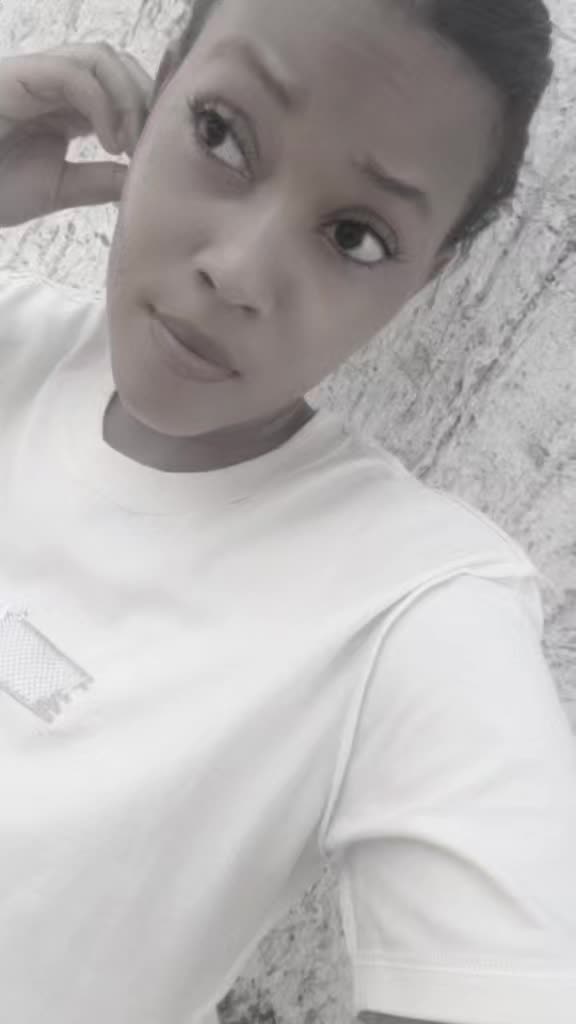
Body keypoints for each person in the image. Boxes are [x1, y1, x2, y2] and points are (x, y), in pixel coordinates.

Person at [0, 1, 574, 1023]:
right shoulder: (14, 335)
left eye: (356, 235)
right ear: (156, 90)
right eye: (221, 133)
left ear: (424, 279)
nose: (238, 271)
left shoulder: (409, 608)